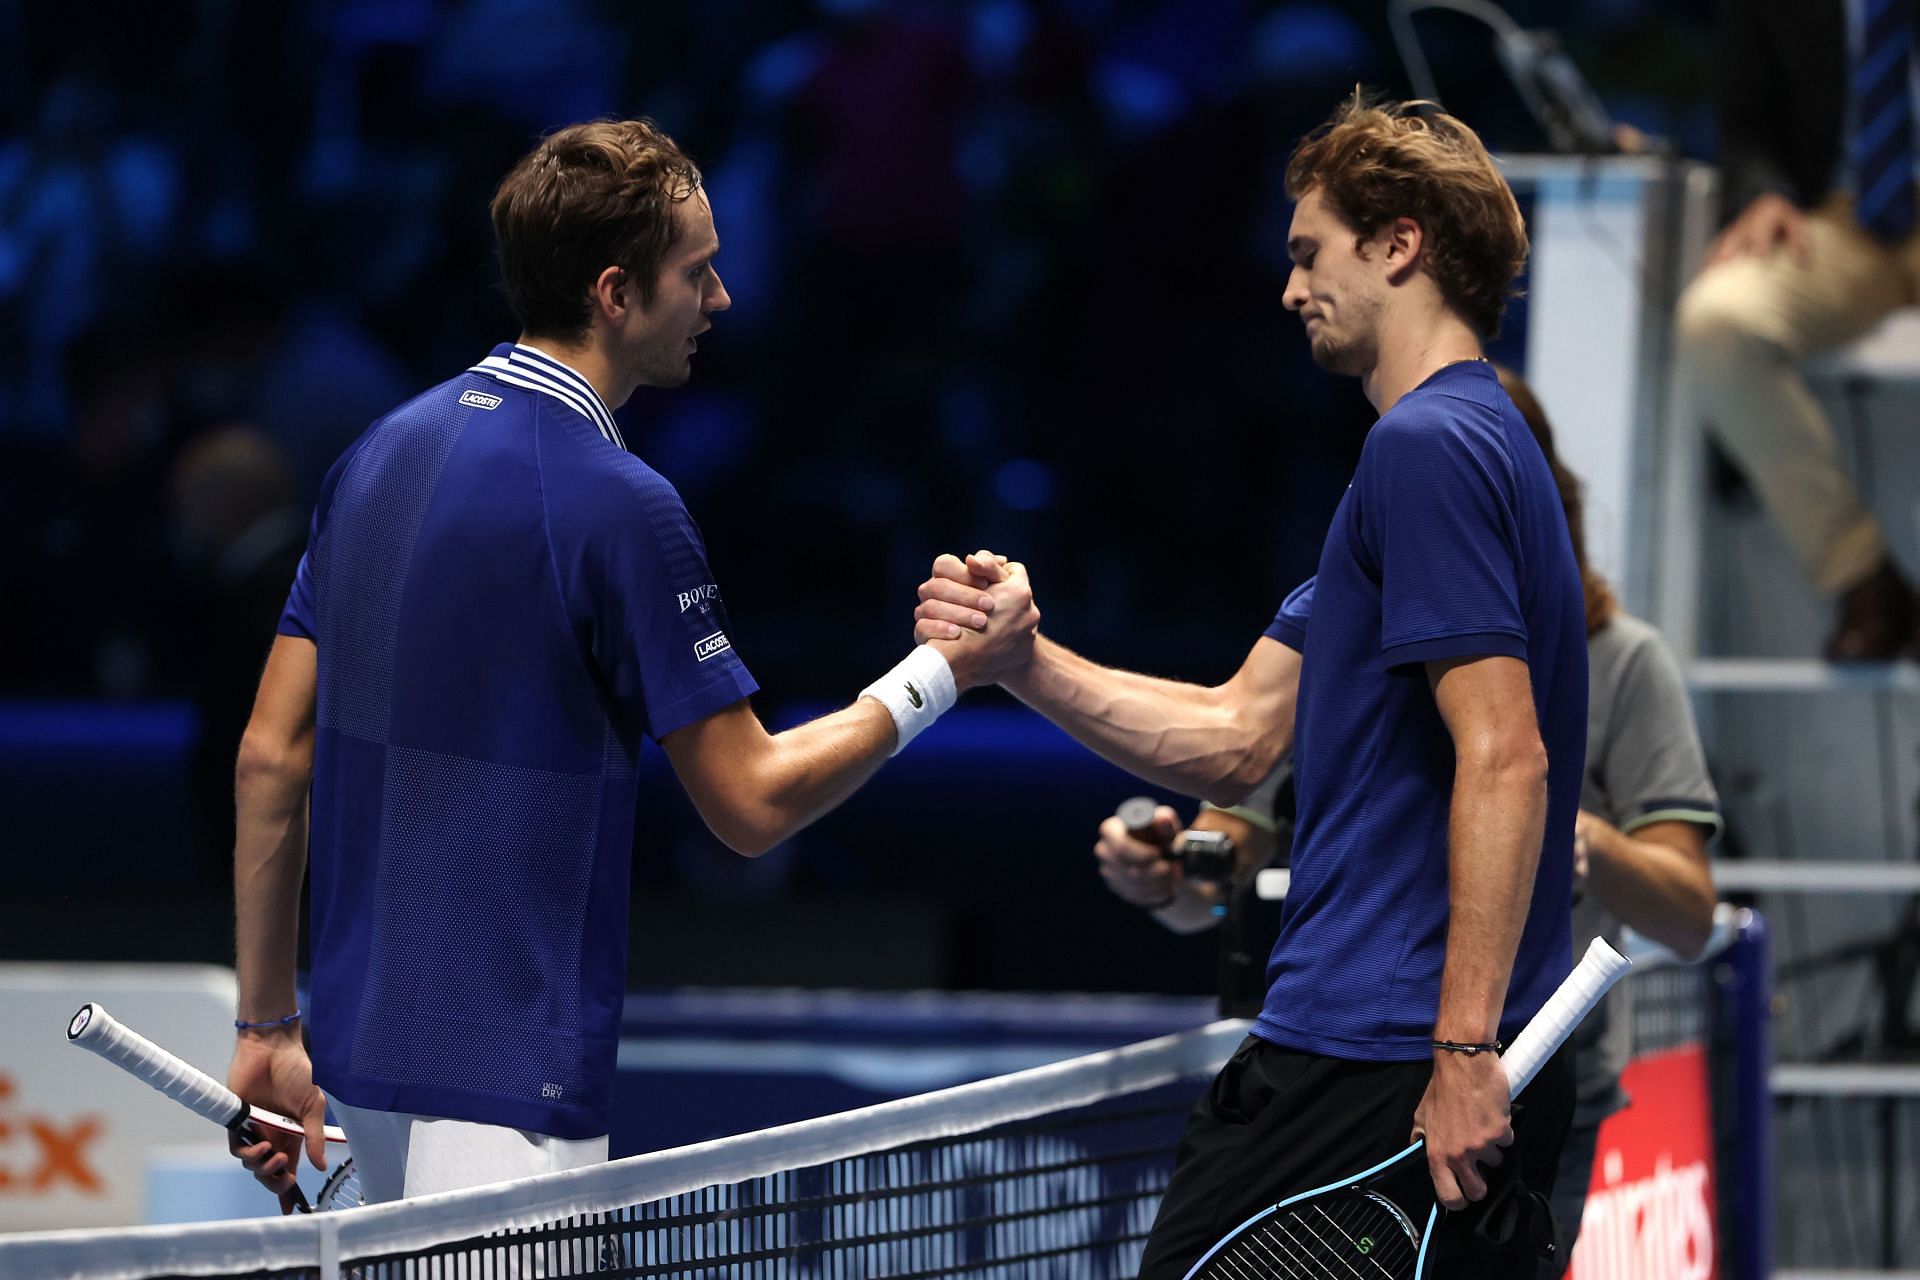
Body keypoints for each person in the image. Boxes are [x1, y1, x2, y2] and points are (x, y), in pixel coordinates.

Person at [225, 118, 1038, 1209]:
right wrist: (943, 671)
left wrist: (268, 1023)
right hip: (509, 1088)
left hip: (354, 1062)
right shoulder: (623, 507)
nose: (722, 299)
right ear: (616, 292)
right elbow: (750, 802)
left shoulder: (375, 456)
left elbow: (270, 758)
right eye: (696, 272)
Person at [917, 93, 1587, 1277]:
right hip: (1398, 1047)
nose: (1289, 291)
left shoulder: (1425, 450)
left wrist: (1466, 1045)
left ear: (1399, 243)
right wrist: (1021, 659)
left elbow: (1507, 753)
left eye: (1308, 252)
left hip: (1379, 1055)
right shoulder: (1460, 451)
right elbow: (1239, 735)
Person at [1093, 368, 1721, 1271]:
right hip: (1374, 1079)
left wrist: (1578, 842)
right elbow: (1223, 852)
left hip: (1534, 1074)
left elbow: (1690, 915)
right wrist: (1168, 872)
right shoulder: (1356, 644)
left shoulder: (1621, 663)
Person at [1676, 0, 1920, 660]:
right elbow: (1749, 121)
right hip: (1844, 220)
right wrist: (1759, 192)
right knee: (1719, 323)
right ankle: (1863, 579)